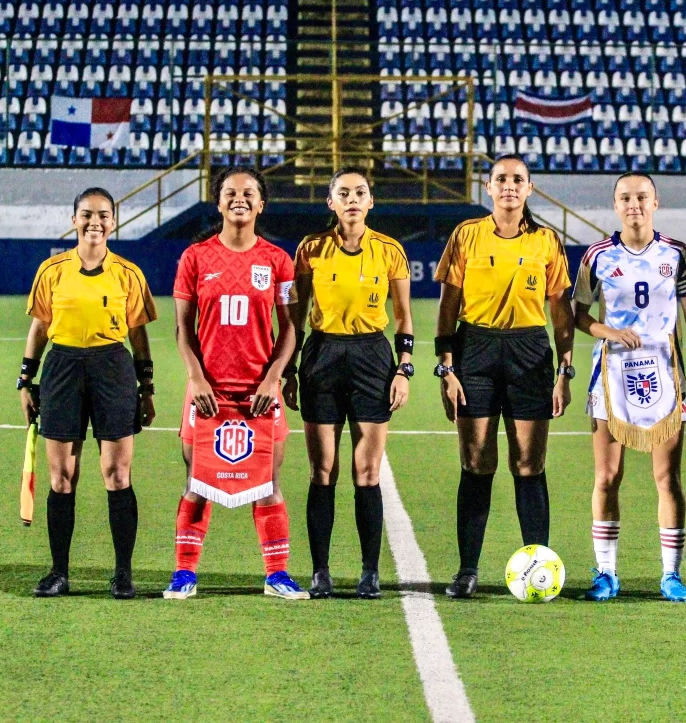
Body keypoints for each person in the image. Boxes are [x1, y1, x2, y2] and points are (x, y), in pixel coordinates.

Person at [163, 167, 308, 600]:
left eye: (248, 193)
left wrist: (273, 378)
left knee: (267, 483)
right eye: (230, 192)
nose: (239, 199)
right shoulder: (194, 258)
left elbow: (290, 330)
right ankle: (184, 574)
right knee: (197, 482)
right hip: (207, 392)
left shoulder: (279, 261)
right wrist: (195, 378)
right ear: (219, 201)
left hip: (261, 394)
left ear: (261, 204)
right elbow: (182, 331)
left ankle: (277, 574)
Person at [435, 154, 574, 599]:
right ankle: (467, 570)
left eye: (518, 179)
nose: (509, 186)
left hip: (530, 352)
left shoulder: (547, 242)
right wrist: (446, 367)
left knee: (529, 465)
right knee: (477, 463)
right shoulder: (466, 236)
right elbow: (447, 305)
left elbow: (560, 312)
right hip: (474, 349)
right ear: (488, 188)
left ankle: (540, 570)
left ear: (529, 189)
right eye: (501, 179)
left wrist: (565, 370)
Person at [572, 172, 686, 603]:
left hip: (664, 375)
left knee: (667, 477)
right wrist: (607, 332)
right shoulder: (597, 254)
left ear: (656, 202)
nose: (634, 204)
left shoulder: (677, 254)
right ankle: (606, 574)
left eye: (642, 197)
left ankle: (671, 575)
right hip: (611, 374)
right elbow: (577, 315)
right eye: (625, 197)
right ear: (615, 205)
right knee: (607, 475)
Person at [20, 187, 157, 599]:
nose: (94, 222)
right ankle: (59, 573)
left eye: (102, 215)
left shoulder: (128, 274)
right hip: (62, 368)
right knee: (62, 477)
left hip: (112, 368)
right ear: (74, 219)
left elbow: (138, 334)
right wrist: (25, 380)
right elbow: (41, 326)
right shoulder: (52, 270)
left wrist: (146, 386)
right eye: (86, 214)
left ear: (113, 221)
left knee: (117, 475)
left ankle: (123, 574)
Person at [285, 168, 413, 599]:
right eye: (344, 193)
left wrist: (404, 368)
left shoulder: (390, 251)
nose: (353, 199)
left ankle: (369, 571)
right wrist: (288, 369)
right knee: (323, 471)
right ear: (331, 203)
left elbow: (404, 317)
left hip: (372, 359)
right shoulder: (310, 249)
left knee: (367, 471)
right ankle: (320, 571)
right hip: (321, 357)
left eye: (360, 192)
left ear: (371, 201)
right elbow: (294, 318)